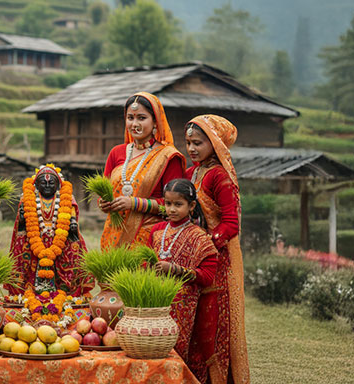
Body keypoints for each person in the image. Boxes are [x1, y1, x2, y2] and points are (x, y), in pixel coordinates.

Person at [184, 114, 250, 384]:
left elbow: (231, 223)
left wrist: (205, 244)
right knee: (193, 321)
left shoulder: (220, 176)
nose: (191, 148)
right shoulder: (190, 174)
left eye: (198, 143)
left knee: (214, 324)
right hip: (192, 259)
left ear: (215, 143)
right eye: (188, 142)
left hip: (218, 260)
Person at [149, 179, 225, 384]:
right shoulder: (157, 231)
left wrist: (175, 270)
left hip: (185, 308)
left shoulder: (201, 238)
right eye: (168, 203)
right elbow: (146, 263)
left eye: (178, 204)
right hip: (155, 304)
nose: (172, 209)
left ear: (191, 206)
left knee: (178, 352)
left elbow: (207, 277)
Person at [99, 92, 185, 249]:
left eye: (141, 118)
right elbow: (104, 192)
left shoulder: (168, 157)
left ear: (155, 122)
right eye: (130, 118)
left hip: (150, 239)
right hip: (114, 236)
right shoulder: (116, 153)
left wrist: (134, 203)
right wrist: (104, 203)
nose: (134, 124)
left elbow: (176, 204)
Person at [6, 164, 92, 296]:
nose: (47, 185)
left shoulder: (67, 198)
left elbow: (72, 217)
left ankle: (65, 294)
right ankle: (28, 294)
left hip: (60, 240)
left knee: (73, 251)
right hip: (34, 240)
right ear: (36, 184)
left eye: (51, 183)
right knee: (22, 251)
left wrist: (73, 224)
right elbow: (20, 224)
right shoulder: (27, 198)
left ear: (57, 184)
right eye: (43, 183)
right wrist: (22, 220)